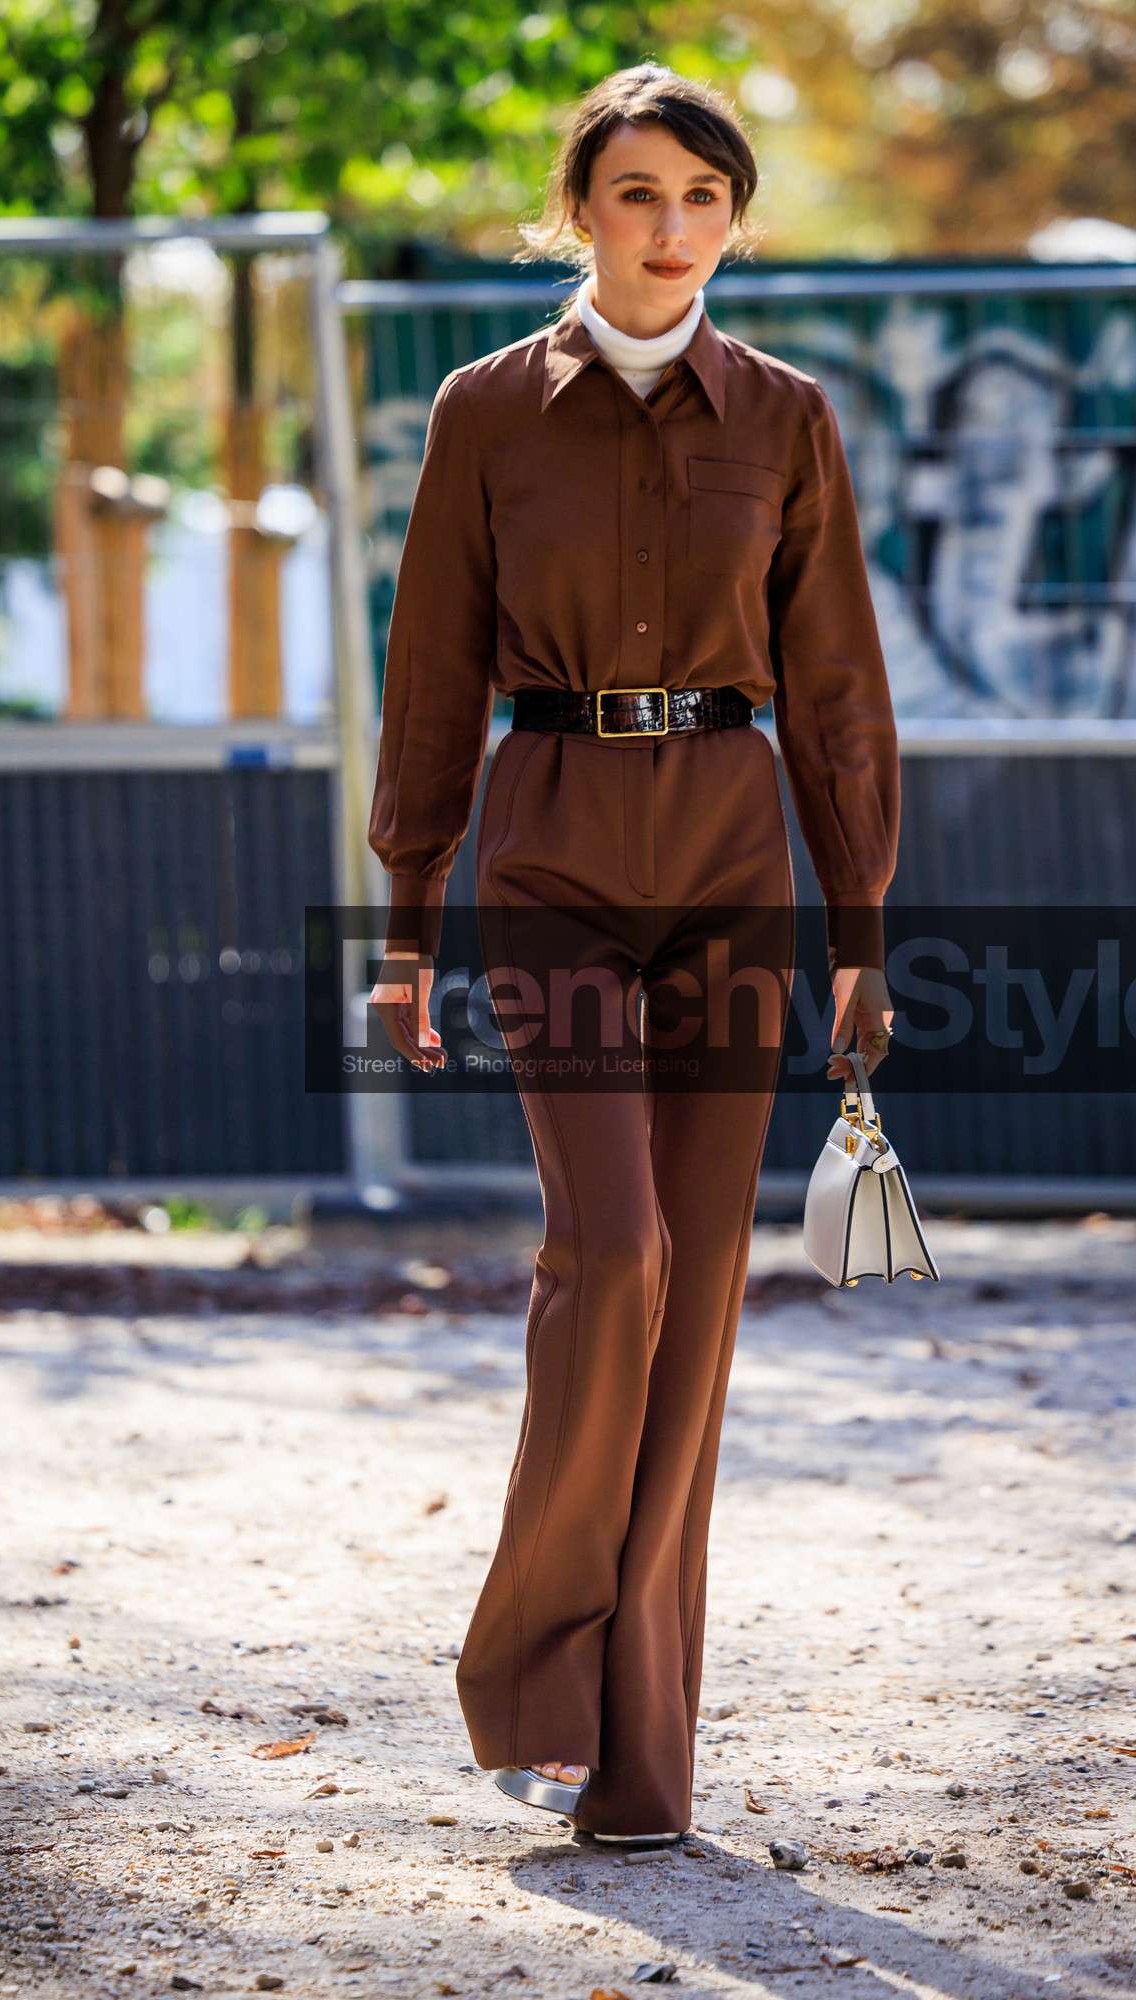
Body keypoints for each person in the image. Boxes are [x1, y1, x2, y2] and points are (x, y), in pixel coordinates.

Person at [366, 63, 898, 1844]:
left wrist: (862, 927)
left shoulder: (786, 417)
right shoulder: (486, 411)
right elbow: (432, 673)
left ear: (733, 218)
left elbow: (834, 691)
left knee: (704, 1298)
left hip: (739, 861)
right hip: (554, 851)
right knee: (615, 1252)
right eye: (636, 194)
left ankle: (640, 1759)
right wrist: (402, 923)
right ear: (578, 213)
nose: (671, 229)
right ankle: (533, 1671)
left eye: (702, 198)